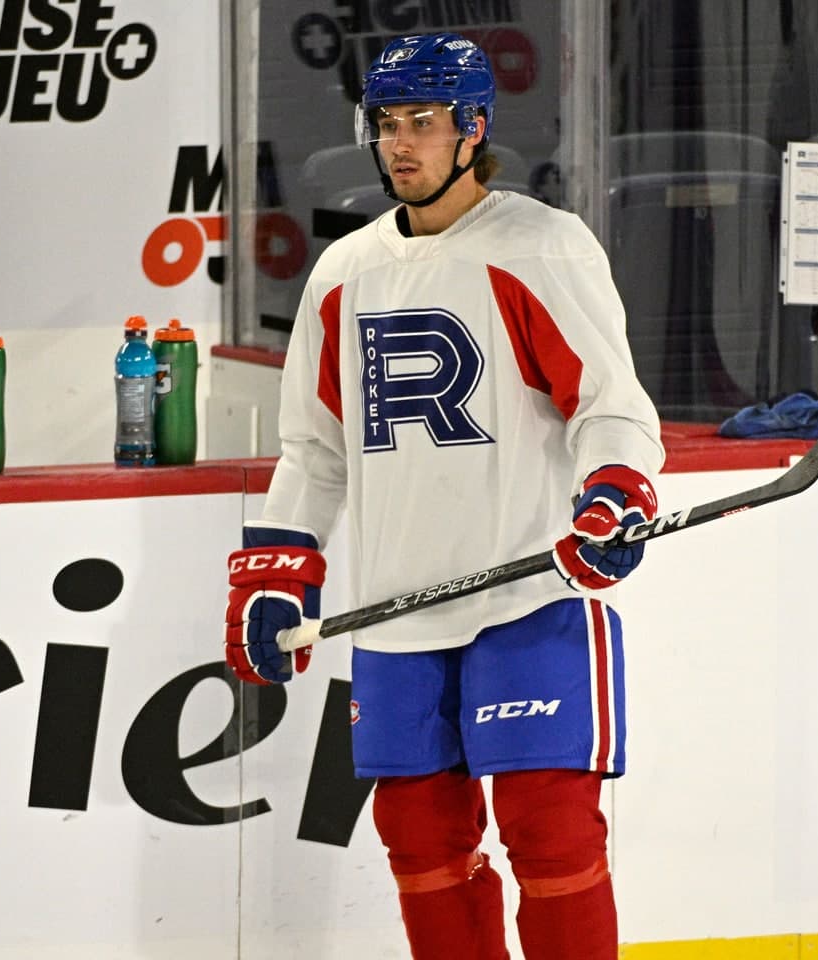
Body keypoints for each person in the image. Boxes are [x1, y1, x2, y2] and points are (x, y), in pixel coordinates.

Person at [224, 32, 664, 960]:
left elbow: (610, 406)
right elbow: (313, 447)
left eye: (422, 122)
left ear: (473, 129)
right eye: (387, 124)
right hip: (395, 614)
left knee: (553, 838)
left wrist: (612, 496)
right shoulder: (344, 272)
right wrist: (280, 568)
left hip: (528, 601)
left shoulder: (538, 247)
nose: (401, 145)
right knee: (422, 849)